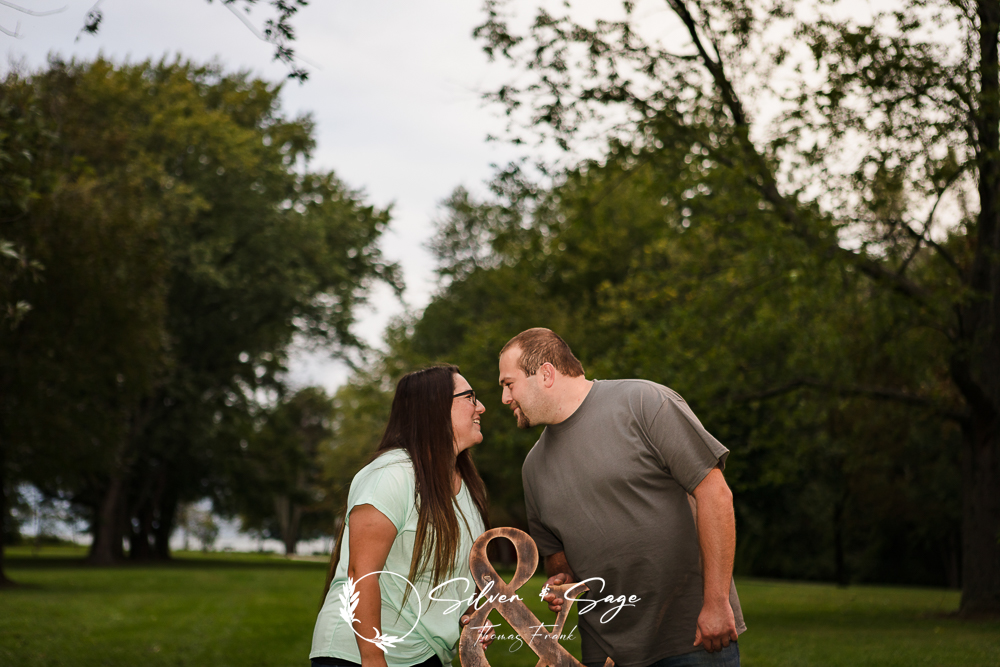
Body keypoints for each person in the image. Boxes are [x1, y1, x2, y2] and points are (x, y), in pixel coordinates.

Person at [498, 328, 746, 667]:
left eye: (508, 384)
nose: (505, 399)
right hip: (606, 653)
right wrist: (563, 584)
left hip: (692, 638)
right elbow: (561, 563)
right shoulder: (533, 468)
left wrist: (717, 603)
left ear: (545, 374)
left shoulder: (643, 402)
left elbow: (715, 494)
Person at [311, 365, 492, 667]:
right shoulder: (391, 476)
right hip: (361, 655)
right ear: (433, 408)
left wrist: (470, 620)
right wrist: (373, 659)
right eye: (470, 397)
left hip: (427, 654)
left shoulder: (468, 486)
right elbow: (362, 575)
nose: (481, 407)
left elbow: (453, 577)